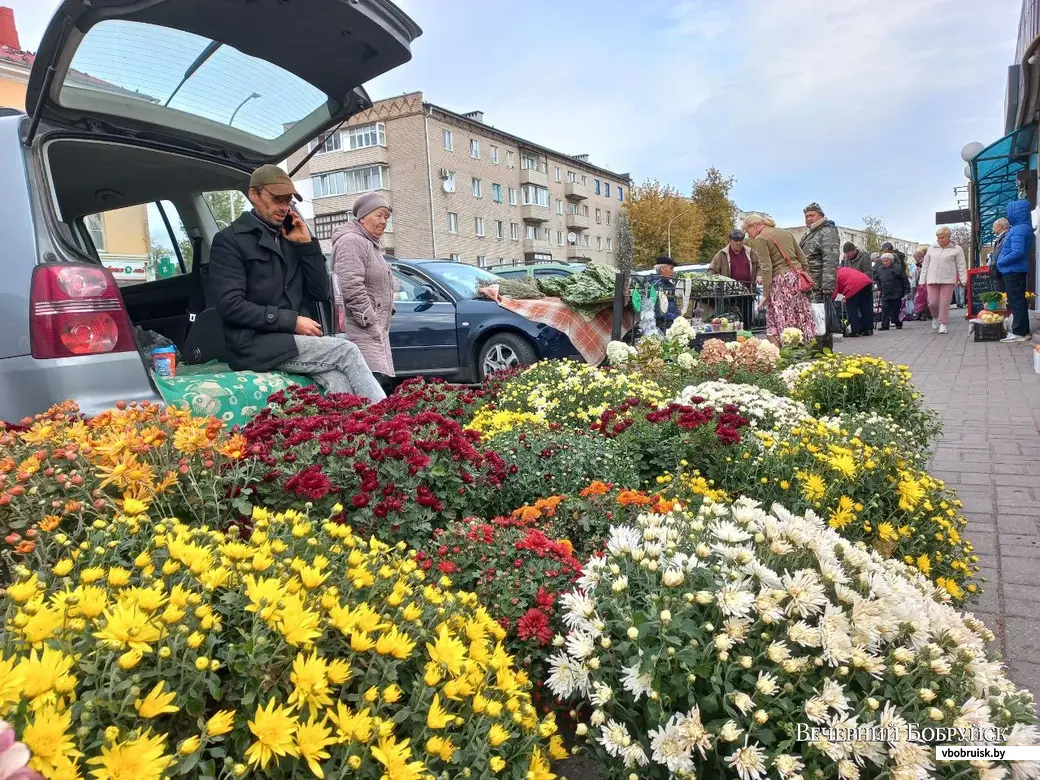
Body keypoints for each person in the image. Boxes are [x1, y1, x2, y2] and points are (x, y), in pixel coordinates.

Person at [208, 164, 386, 402]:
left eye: (288, 200)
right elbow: (229, 305)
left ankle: (350, 435)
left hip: (294, 342)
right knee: (347, 350)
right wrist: (291, 321)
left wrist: (307, 247)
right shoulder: (230, 241)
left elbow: (321, 292)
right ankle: (391, 422)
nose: (284, 207)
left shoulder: (290, 237)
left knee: (338, 379)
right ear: (254, 195)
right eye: (277, 199)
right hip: (253, 343)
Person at [331, 193, 396, 386]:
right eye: (379, 215)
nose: (384, 221)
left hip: (374, 333)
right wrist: (371, 320)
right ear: (362, 217)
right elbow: (349, 285)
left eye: (387, 217)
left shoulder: (370, 244)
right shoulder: (352, 241)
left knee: (379, 388)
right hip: (361, 331)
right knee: (370, 391)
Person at [744, 213, 816, 343]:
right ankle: (805, 345)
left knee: (779, 315)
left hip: (781, 281)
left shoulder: (760, 238)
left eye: (747, 230)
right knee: (800, 313)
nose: (748, 235)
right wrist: (806, 276)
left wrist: (766, 294)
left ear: (755, 225)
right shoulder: (786, 233)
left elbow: (767, 268)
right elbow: (802, 258)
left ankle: (785, 349)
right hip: (796, 277)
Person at [799, 203, 840, 345]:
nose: (808, 218)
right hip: (809, 285)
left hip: (819, 284)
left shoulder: (827, 231)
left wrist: (827, 285)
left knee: (820, 318)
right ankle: (815, 347)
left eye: (812, 215)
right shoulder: (810, 233)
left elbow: (830, 258)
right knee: (814, 317)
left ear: (821, 216)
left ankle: (822, 350)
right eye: (806, 216)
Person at [996, 199, 1034, 344]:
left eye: (1009, 212)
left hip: (1013, 270)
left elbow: (1017, 252)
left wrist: (1001, 260)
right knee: (1019, 300)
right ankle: (1024, 331)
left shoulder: (1018, 229)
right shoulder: (1023, 227)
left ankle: (1018, 332)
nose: (1008, 215)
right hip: (1016, 269)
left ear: (1015, 212)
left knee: (1016, 301)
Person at [920, 227, 967, 335]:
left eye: (942, 237)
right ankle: (935, 317)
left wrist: (964, 280)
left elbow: (961, 265)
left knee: (945, 303)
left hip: (948, 280)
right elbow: (925, 265)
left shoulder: (957, 249)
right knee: (932, 303)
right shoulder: (931, 248)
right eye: (938, 237)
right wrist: (922, 281)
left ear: (949, 237)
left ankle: (943, 324)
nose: (940, 239)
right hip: (932, 279)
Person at [709, 229, 760, 327]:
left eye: (741, 240)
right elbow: (711, 271)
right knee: (731, 322)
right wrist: (718, 281)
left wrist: (759, 275)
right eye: (736, 240)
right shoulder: (721, 254)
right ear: (730, 240)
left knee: (747, 322)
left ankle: (747, 337)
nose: (738, 243)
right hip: (729, 296)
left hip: (747, 293)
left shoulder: (751, 252)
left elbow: (759, 267)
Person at [873, 253, 911, 331]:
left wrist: (907, 291)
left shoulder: (898, 268)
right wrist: (879, 288)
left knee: (896, 310)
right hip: (885, 292)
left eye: (886, 261)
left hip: (897, 292)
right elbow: (877, 279)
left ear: (891, 260)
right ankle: (885, 325)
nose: (885, 263)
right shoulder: (880, 269)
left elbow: (904, 280)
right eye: (883, 261)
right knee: (885, 309)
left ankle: (898, 322)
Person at [834, 265, 874, 337]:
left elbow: (834, 290)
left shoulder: (834, 274)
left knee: (852, 310)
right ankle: (868, 329)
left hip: (853, 286)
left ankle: (855, 331)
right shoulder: (845, 269)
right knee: (866, 308)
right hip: (867, 282)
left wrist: (830, 300)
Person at [652, 255, 680, 331]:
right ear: (663, 269)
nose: (673, 271)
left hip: (671, 324)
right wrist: (676, 318)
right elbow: (657, 312)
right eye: (671, 268)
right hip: (660, 326)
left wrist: (680, 316)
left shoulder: (670, 285)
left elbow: (674, 305)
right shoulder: (654, 285)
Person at [911, 246, 931, 320]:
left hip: (923, 283)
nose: (915, 259)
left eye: (915, 257)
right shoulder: (919, 264)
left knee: (923, 299)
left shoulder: (923, 263)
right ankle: (923, 313)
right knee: (922, 299)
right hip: (921, 283)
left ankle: (924, 314)